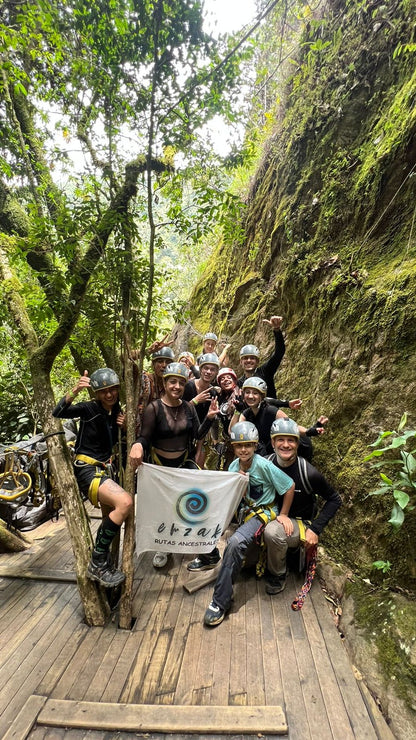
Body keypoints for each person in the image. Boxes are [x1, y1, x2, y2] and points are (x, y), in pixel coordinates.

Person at [203, 421, 295, 627]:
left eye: (248, 445)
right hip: (246, 513)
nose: (243, 449)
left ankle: (220, 602)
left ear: (255, 446)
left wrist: (284, 514)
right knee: (227, 539)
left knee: (235, 543)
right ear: (233, 448)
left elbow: (289, 486)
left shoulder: (263, 465)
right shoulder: (234, 466)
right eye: (239, 446)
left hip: (264, 513)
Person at [129, 362, 219, 568]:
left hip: (183, 464)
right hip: (160, 467)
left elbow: (197, 434)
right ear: (165, 383)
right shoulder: (154, 408)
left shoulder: (188, 407)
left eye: (180, 382)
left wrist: (210, 419)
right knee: (164, 507)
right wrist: (137, 445)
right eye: (172, 382)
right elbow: (145, 436)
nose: (177, 386)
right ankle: (163, 547)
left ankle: (205, 549)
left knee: (193, 505)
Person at [52, 368, 132, 588]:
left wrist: (124, 429)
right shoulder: (89, 408)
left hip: (105, 469)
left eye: (112, 390)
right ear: (96, 393)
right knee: (125, 502)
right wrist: (75, 390)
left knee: (111, 517)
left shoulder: (117, 412)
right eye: (104, 391)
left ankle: (104, 564)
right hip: (87, 469)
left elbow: (120, 441)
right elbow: (58, 412)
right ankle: (97, 562)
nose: (109, 395)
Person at [263, 418, 342, 595]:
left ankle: (278, 575)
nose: (285, 445)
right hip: (271, 516)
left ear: (298, 444)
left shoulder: (308, 472)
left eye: (291, 440)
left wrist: (315, 529)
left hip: (298, 524)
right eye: (280, 440)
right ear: (273, 442)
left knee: (272, 532)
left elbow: (334, 499)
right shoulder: (264, 463)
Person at [237, 315, 285, 398]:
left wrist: (277, 330)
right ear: (240, 362)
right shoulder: (239, 383)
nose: (248, 360)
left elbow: (279, 352)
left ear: (258, 362)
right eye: (245, 358)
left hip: (271, 410)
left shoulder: (265, 371)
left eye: (252, 358)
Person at [135, 346, 175, 436]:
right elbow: (126, 359)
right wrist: (147, 351)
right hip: (139, 434)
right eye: (160, 361)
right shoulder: (145, 379)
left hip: (161, 438)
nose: (164, 365)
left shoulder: (173, 387)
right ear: (153, 364)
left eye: (168, 362)